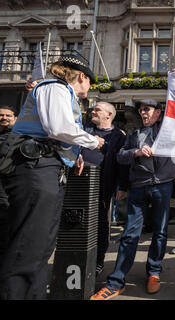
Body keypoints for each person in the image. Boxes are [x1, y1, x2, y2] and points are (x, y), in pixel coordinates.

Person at [0, 54, 105, 300]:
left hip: (46, 169)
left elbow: (56, 135)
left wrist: (74, 155)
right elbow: (58, 128)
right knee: (28, 246)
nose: (90, 88)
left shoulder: (61, 93)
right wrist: (93, 141)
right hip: (35, 171)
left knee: (40, 247)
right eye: (90, 82)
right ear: (82, 76)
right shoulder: (54, 87)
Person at [90, 99, 175, 300]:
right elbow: (121, 156)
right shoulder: (133, 134)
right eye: (140, 110)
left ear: (158, 113)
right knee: (130, 234)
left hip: (162, 186)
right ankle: (116, 282)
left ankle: (154, 272)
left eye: (147, 109)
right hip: (138, 187)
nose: (142, 113)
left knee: (160, 231)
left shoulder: (168, 131)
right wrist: (135, 152)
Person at [75, 101, 129, 276]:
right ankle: (76, 259)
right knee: (76, 222)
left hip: (103, 187)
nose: (93, 111)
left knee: (100, 225)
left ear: (109, 115)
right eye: (93, 108)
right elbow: (73, 147)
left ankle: (98, 261)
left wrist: (122, 186)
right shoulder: (84, 130)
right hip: (78, 185)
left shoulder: (118, 136)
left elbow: (122, 164)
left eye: (97, 109)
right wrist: (77, 156)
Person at [0, 105, 18, 261]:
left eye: (8, 116)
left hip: (8, 189)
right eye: (1, 115)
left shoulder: (19, 137)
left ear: (15, 118)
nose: (4, 118)